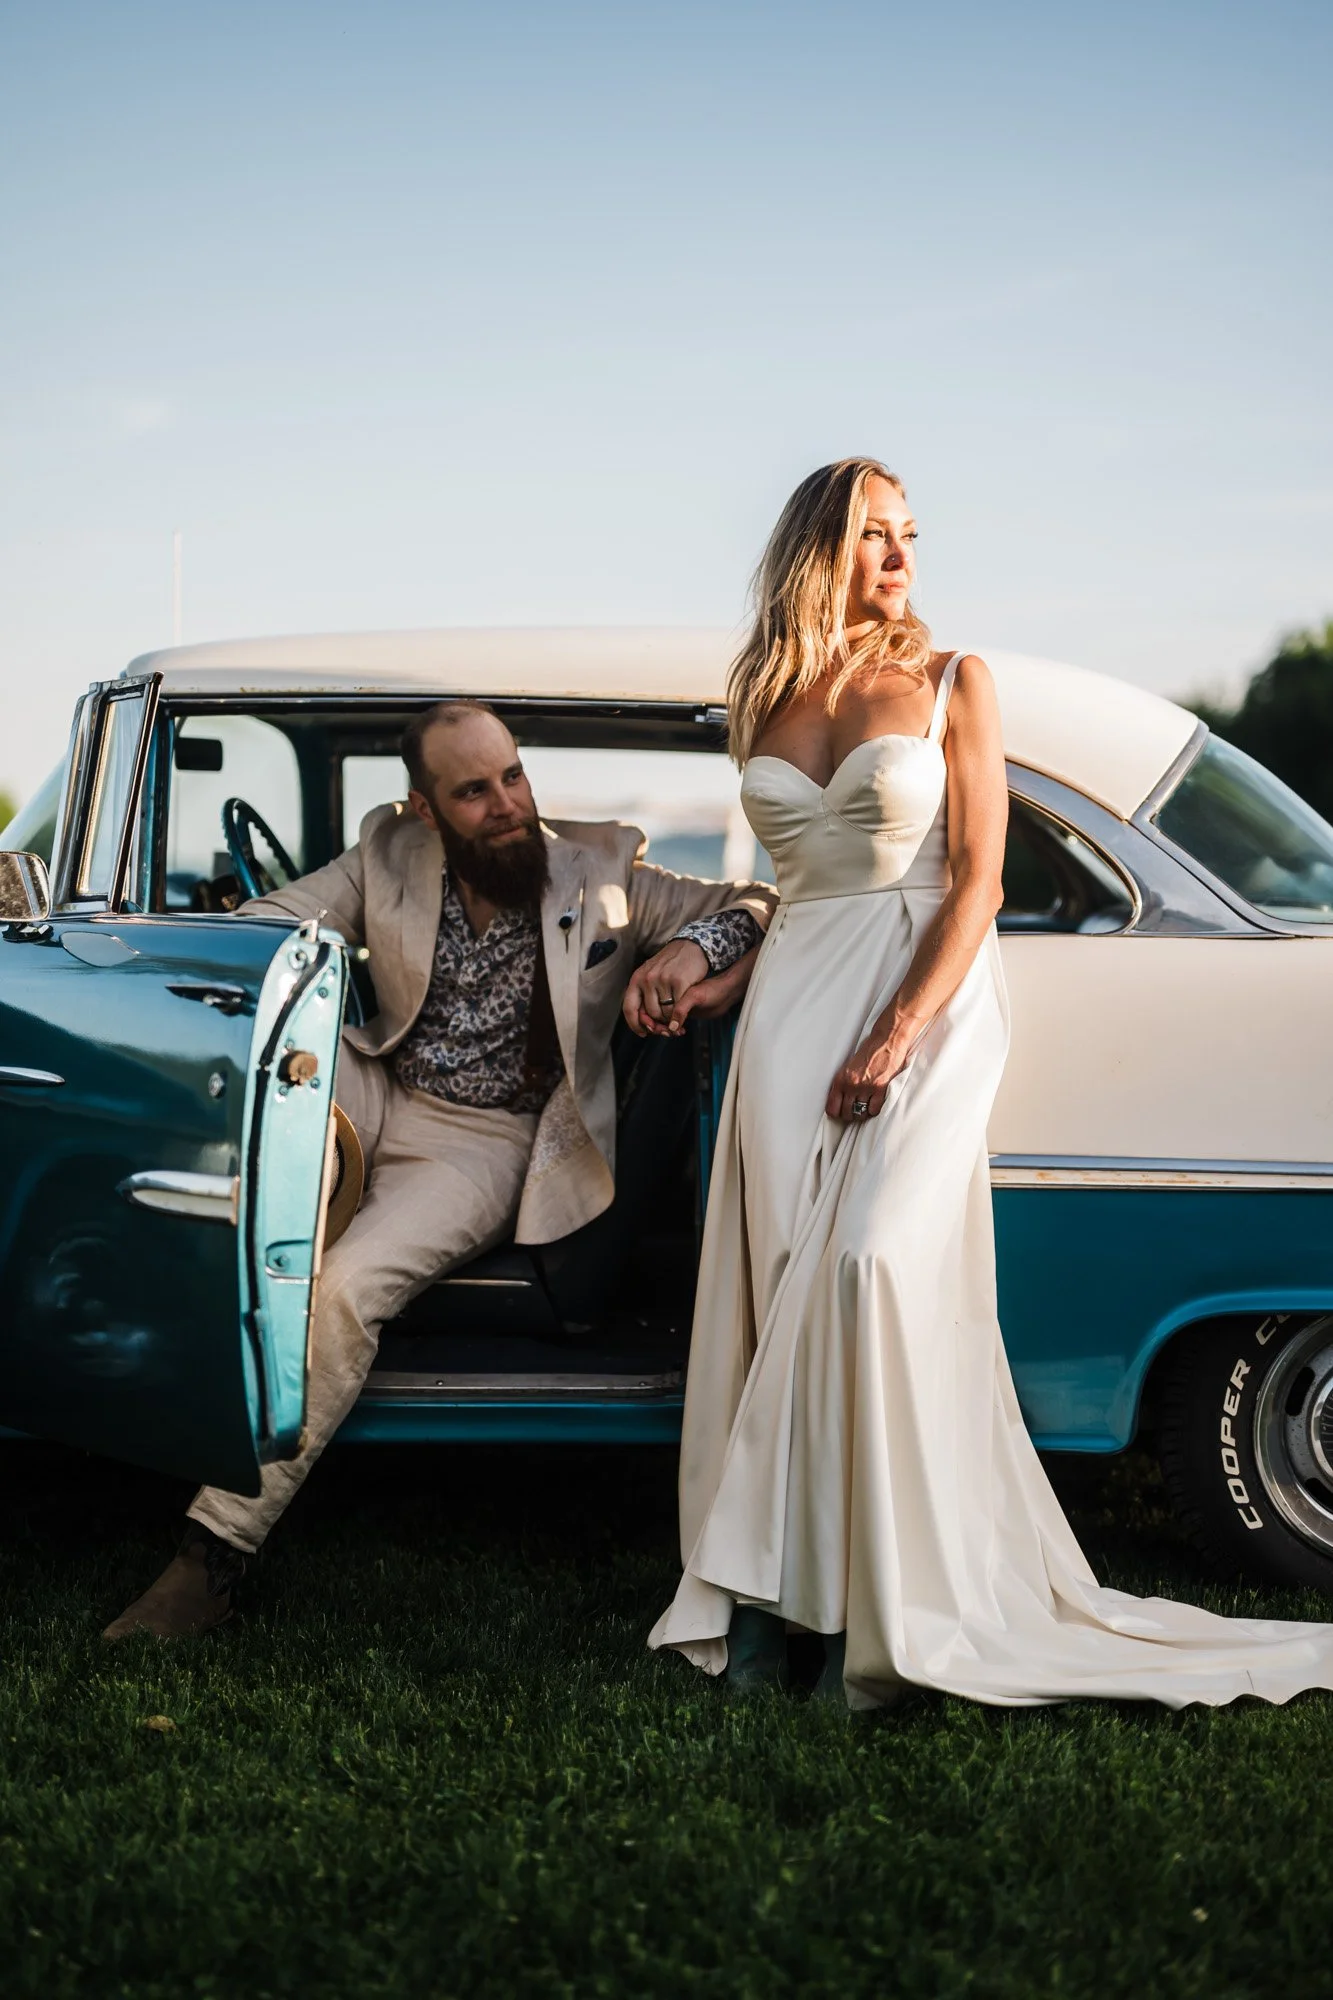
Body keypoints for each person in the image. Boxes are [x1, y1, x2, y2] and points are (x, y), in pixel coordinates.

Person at [648, 456, 1333, 1710]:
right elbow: (790, 890)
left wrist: (899, 1029)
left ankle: (887, 1605)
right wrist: (710, 979)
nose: (901, 553)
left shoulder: (955, 680)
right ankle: (768, 1599)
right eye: (874, 532)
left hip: (930, 996)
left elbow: (977, 881)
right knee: (779, 1286)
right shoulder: (765, 693)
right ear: (819, 545)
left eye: (911, 531)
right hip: (793, 1001)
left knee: (868, 1264)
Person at [105, 700, 776, 1640]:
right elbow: (261, 933)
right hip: (375, 1083)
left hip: (485, 1139)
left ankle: (208, 1556)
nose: (507, 806)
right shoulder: (387, 851)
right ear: (423, 807)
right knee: (257, 1093)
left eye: (513, 776)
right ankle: (273, 1214)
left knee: (341, 1290)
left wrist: (682, 950)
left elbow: (755, 905)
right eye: (473, 791)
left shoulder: (603, 868)